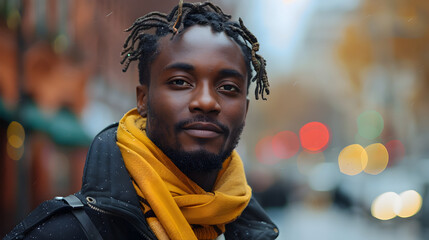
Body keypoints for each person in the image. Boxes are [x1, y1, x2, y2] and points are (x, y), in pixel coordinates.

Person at [5, 1, 279, 239]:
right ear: (143, 100)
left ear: (245, 108)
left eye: (228, 87)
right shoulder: (65, 232)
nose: (206, 101)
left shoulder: (253, 230)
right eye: (180, 81)